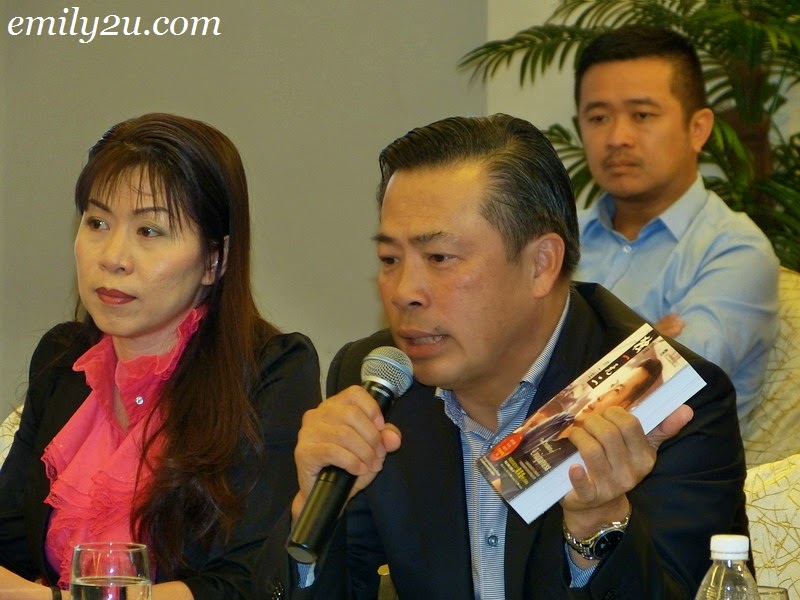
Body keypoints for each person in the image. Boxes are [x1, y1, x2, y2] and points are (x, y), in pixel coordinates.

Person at [257, 114, 748, 599]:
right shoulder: (379, 384)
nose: (404, 291)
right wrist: (312, 509)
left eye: (439, 258)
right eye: (389, 259)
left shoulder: (664, 398)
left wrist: (598, 527)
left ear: (541, 264)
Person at [0, 113, 321, 599]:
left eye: (149, 231)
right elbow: (9, 540)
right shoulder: (64, 359)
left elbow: (246, 582)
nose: (113, 256)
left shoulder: (271, 371)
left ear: (214, 259)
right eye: (97, 222)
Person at [571, 25, 779, 420]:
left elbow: (660, 390)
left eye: (642, 115)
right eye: (598, 117)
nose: (617, 137)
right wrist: (636, 348)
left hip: (669, 459)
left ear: (697, 129)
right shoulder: (556, 240)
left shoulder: (736, 251)